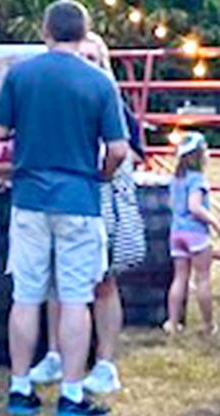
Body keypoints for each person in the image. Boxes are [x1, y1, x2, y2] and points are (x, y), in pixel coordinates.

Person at [0, 0, 129, 416]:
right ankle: (71, 394)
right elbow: (119, 149)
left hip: (29, 197)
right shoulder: (100, 83)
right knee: (74, 299)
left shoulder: (21, 74)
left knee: (26, 295)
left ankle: (20, 387)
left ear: (45, 31)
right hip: (79, 198)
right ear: (84, 34)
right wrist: (100, 174)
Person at [27, 33, 143, 396]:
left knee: (103, 282)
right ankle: (55, 355)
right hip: (64, 197)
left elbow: (133, 152)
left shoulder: (113, 103)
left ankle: (106, 363)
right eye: (82, 57)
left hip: (102, 198)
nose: (86, 64)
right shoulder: (56, 102)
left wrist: (102, 170)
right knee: (55, 281)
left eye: (94, 58)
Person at [166, 132, 219, 335]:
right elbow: (195, 207)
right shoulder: (197, 180)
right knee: (202, 279)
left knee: (179, 278)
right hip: (196, 233)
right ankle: (208, 324)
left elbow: (172, 204)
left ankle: (172, 322)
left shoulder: (175, 180)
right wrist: (214, 222)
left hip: (177, 232)